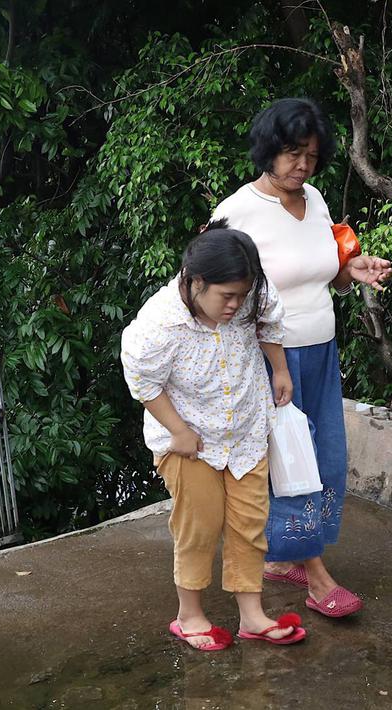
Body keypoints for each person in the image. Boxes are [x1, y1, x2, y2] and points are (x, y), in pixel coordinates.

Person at [211, 98, 392, 618]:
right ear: (268, 151)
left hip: (321, 350)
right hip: (272, 359)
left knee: (327, 457)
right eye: (292, 155)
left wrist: (351, 269)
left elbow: (323, 272)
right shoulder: (237, 212)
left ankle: (282, 557)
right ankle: (315, 578)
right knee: (294, 462)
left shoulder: (314, 200)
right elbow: (208, 284)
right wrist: (263, 363)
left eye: (311, 156)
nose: (302, 167)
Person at [120, 221, 306, 650]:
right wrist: (179, 431)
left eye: (242, 295)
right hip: (189, 443)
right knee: (200, 525)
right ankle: (189, 616)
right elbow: (142, 380)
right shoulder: (159, 324)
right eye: (227, 297)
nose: (235, 304)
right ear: (195, 282)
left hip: (244, 430)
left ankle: (252, 616)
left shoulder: (250, 293)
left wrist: (279, 369)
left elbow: (269, 320)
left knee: (249, 523)